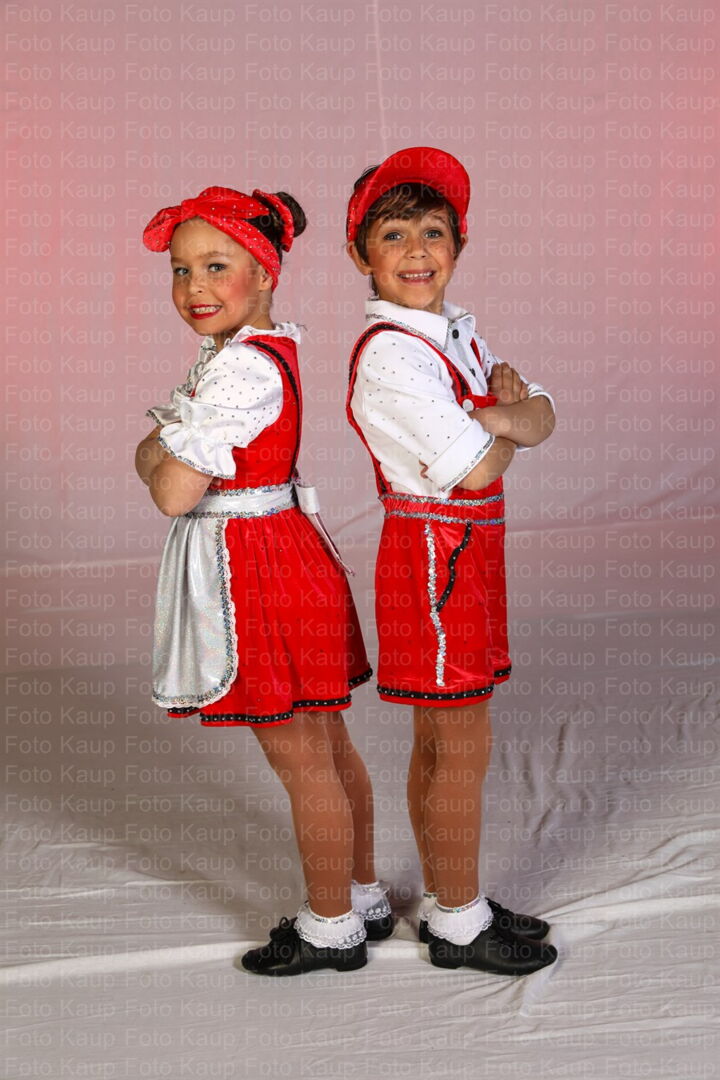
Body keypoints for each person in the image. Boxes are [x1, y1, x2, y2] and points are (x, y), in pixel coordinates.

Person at [134, 185, 392, 976]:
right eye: (181, 270)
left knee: (304, 758)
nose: (194, 287)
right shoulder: (247, 353)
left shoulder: (240, 371)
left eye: (217, 266)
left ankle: (331, 927)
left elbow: (172, 489)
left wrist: (154, 450)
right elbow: (172, 463)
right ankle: (361, 894)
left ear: (265, 272)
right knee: (327, 743)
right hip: (285, 550)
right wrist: (163, 450)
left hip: (260, 568)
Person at [345, 148, 557, 975]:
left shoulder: (454, 330)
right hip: (433, 553)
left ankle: (447, 897)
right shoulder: (392, 353)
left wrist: (504, 417)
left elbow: (540, 418)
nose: (417, 251)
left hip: (466, 549)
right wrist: (504, 417)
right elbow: (479, 467)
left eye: (433, 232)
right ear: (362, 255)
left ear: (459, 245)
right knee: (459, 740)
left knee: (446, 736)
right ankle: (461, 924)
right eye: (393, 235)